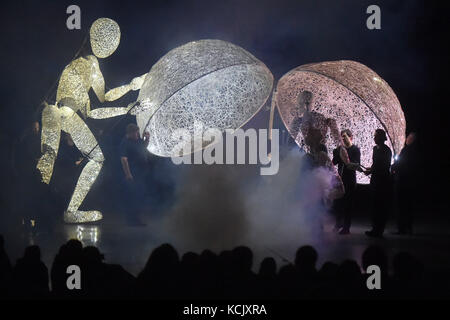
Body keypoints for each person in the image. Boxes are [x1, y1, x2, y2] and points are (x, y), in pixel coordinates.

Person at [119, 124, 150, 225]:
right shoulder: (125, 143)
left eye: (138, 132)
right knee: (134, 196)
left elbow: (143, 146)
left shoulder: (137, 140)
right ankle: (132, 220)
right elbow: (124, 160)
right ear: (130, 133)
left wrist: (147, 139)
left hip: (141, 172)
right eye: (136, 133)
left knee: (139, 195)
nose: (138, 134)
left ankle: (136, 219)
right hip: (133, 173)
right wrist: (128, 174)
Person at [364, 129, 393, 238]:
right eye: (374, 136)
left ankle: (379, 230)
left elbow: (384, 166)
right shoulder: (375, 149)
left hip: (383, 181)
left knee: (381, 206)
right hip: (375, 181)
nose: (374, 138)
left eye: (376, 136)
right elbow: (375, 164)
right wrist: (370, 169)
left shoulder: (386, 150)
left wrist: (371, 171)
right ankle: (375, 228)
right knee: (374, 205)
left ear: (381, 138)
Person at [332, 129, 361, 235]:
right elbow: (334, 162)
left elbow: (356, 165)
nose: (342, 138)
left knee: (348, 205)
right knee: (338, 203)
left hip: (350, 180)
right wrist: (336, 153)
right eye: (341, 136)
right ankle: (338, 223)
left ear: (351, 137)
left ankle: (346, 227)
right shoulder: (340, 149)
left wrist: (345, 159)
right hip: (340, 180)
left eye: (344, 136)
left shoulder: (355, 149)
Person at [392, 132, 419, 235]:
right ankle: (408, 227)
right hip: (408, 182)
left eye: (409, 138)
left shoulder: (406, 151)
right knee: (408, 206)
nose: (406, 139)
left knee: (402, 205)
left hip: (403, 182)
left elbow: (400, 164)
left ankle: (402, 228)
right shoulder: (412, 151)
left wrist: (393, 167)